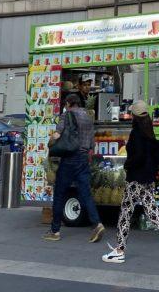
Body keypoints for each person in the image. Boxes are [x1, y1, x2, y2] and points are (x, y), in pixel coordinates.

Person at [102, 101, 159, 265]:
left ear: (134, 115)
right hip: (148, 178)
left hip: (135, 179)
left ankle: (119, 250)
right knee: (151, 211)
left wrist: (127, 164)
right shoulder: (149, 131)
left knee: (126, 213)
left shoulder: (136, 133)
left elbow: (137, 156)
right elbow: (156, 155)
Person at [43, 93, 105, 243]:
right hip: (83, 159)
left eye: (65, 103)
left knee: (59, 193)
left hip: (70, 158)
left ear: (70, 103)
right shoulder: (88, 117)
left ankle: (55, 230)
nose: (65, 105)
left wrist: (50, 142)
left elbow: (58, 135)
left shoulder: (67, 115)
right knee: (85, 193)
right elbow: (92, 143)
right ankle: (97, 224)